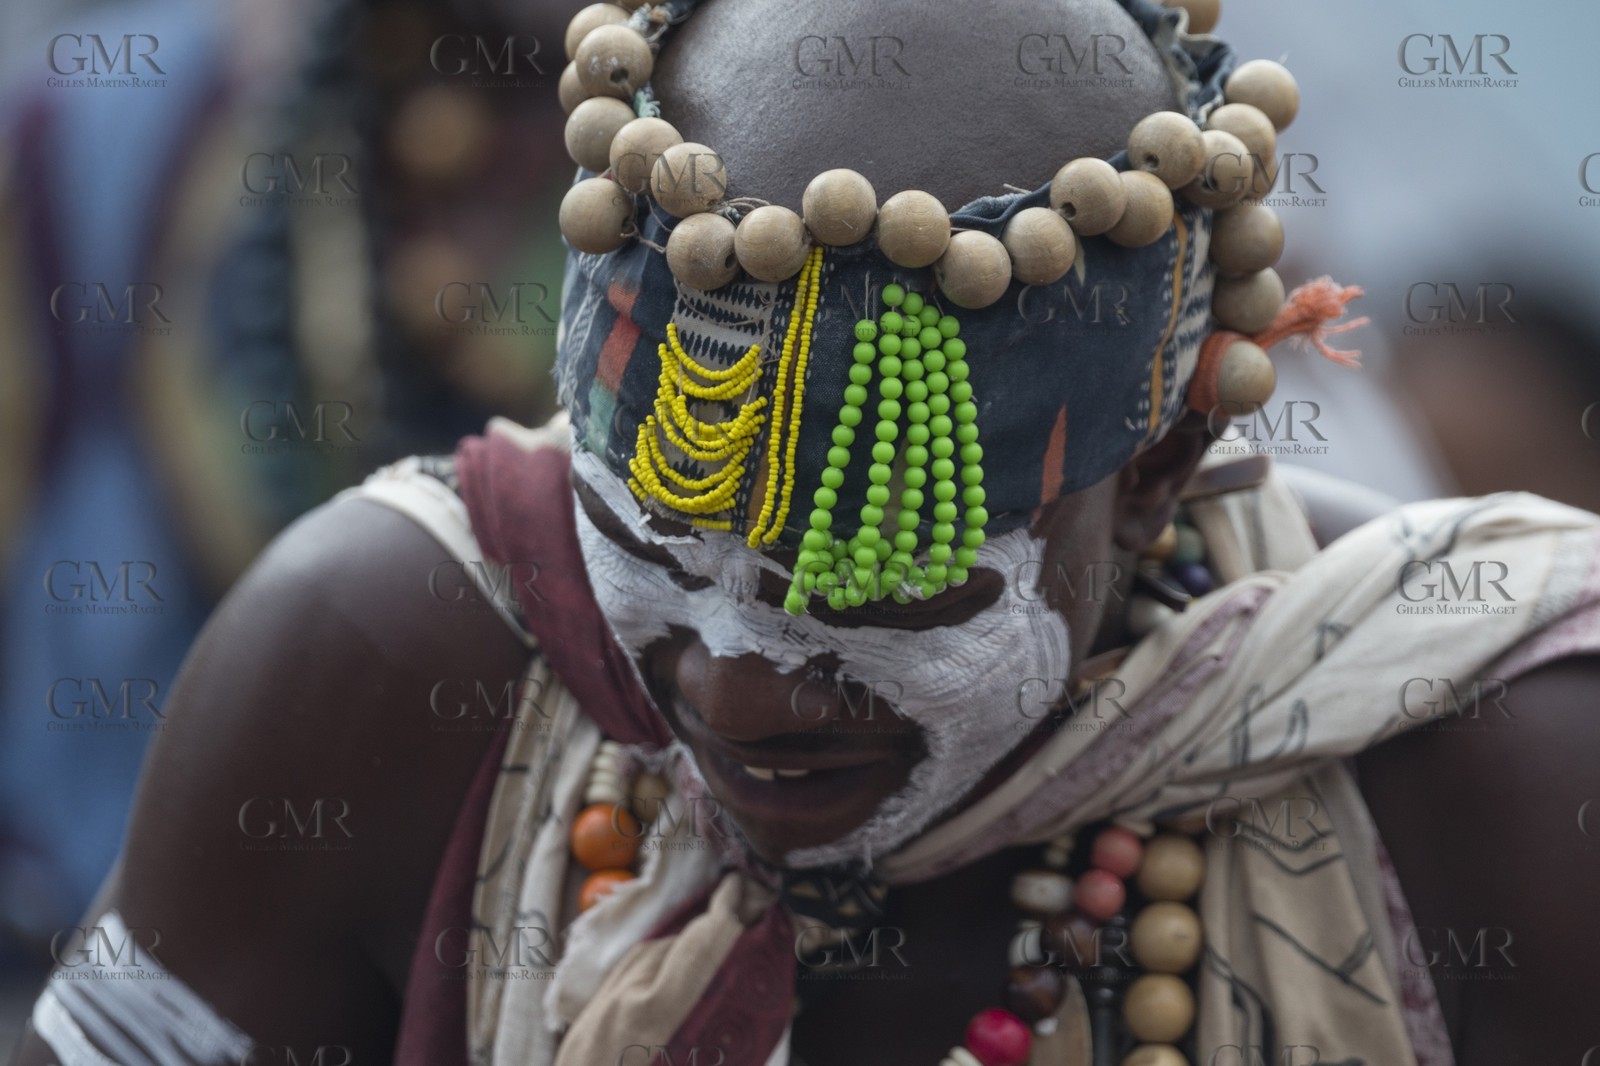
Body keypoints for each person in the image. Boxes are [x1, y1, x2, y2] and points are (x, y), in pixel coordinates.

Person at [14, 0, 1600, 1064]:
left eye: (883, 576)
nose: (745, 685)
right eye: (661, 531)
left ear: (1164, 466)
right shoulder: (366, 671)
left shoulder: (1495, 760)